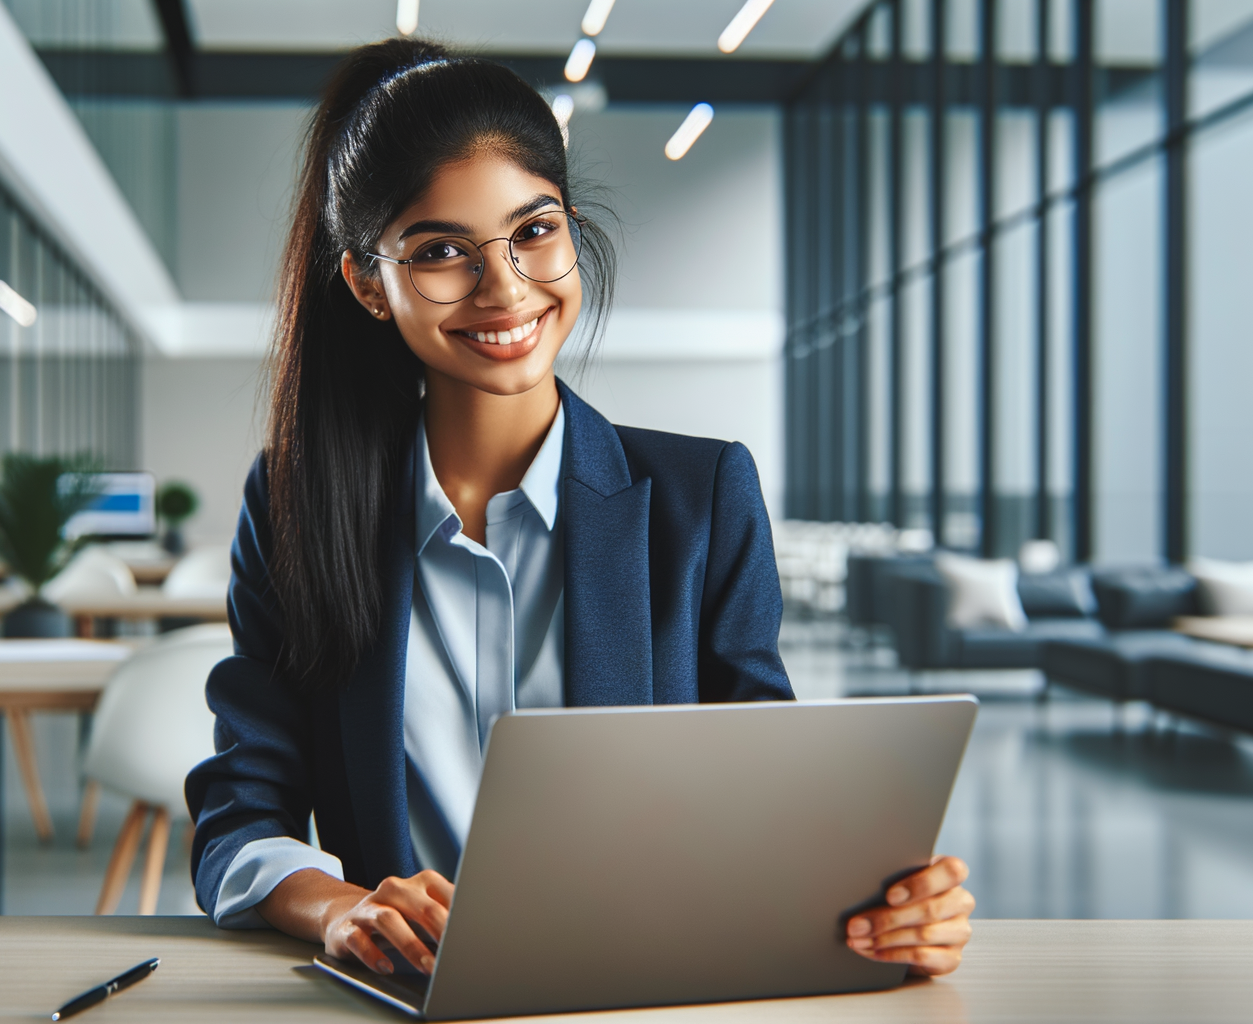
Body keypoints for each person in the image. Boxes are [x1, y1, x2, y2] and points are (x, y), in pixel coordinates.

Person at [186, 38, 975, 983]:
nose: (504, 287)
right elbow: (240, 815)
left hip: (643, 993)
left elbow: (769, 805)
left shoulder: (702, 498)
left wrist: (892, 906)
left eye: (533, 230)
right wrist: (340, 909)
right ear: (367, 283)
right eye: (441, 252)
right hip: (405, 999)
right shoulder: (296, 507)